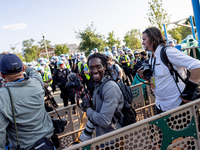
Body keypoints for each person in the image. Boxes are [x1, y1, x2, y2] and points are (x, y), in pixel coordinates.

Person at [138, 27, 200, 114]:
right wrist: (146, 78)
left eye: (144, 39)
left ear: (152, 39)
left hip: (178, 106)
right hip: (161, 106)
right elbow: (160, 79)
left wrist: (188, 92)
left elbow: (197, 66)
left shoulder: (168, 52)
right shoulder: (152, 57)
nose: (142, 42)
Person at [0, 54, 54, 149]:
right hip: (48, 143)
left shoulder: (3, 96)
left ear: (2, 75)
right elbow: (33, 71)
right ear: (23, 69)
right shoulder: (37, 83)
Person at [79, 53, 124, 137]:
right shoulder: (98, 85)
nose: (95, 71)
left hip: (114, 137)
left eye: (98, 67)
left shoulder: (110, 87)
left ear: (104, 67)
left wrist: (88, 110)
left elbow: (104, 120)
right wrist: (82, 95)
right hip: (102, 135)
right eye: (91, 68)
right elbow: (97, 109)